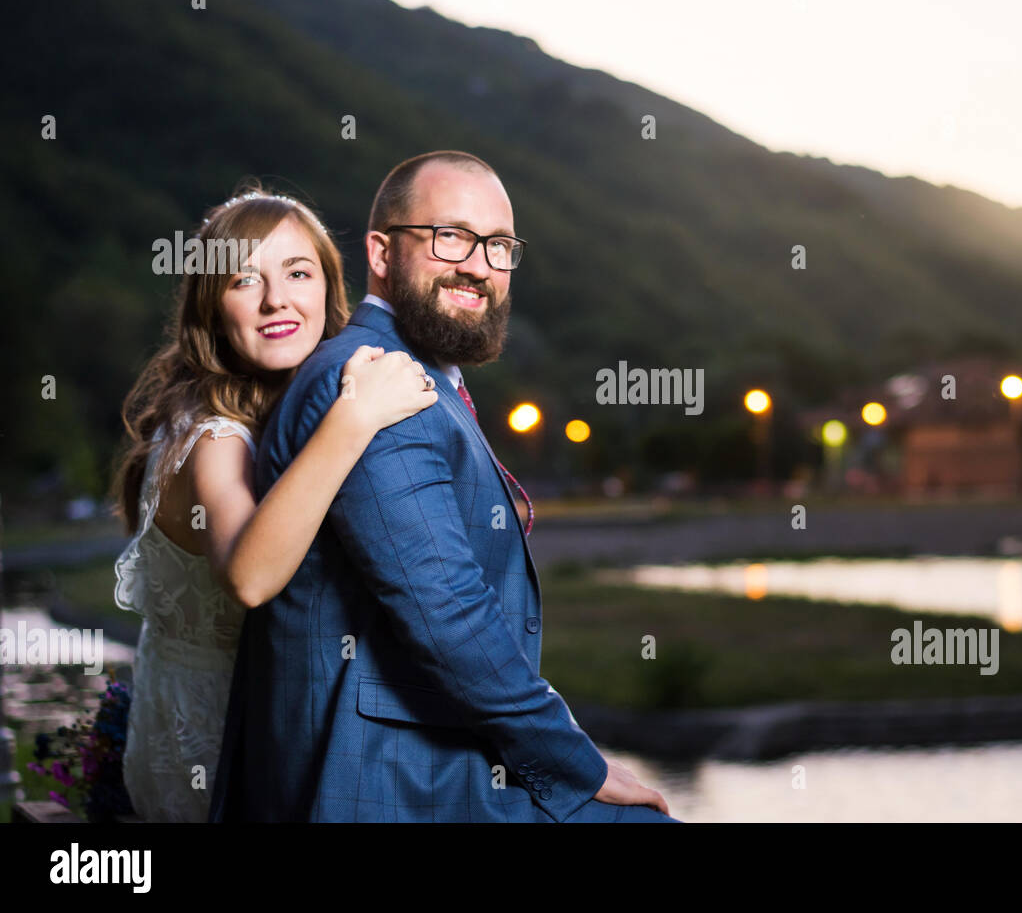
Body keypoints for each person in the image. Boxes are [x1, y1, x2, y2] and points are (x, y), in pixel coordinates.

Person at [210, 151, 679, 822]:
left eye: (499, 246)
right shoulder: (371, 377)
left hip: (435, 760)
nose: (478, 265)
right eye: (450, 237)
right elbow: (445, 608)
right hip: (388, 783)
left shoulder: (417, 377)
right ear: (379, 251)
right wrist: (580, 763)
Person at [113, 187, 438, 822]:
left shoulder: (260, 414)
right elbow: (251, 578)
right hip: (213, 759)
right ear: (212, 306)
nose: (276, 300)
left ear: (327, 287)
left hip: (211, 726)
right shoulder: (214, 437)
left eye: (297, 272)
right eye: (244, 280)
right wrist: (357, 415)